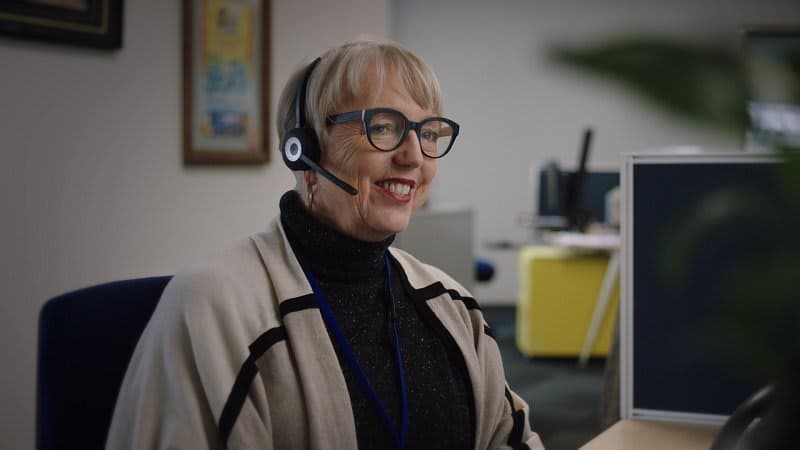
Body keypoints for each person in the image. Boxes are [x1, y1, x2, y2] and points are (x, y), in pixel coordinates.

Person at [106, 38, 544, 450]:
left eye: (428, 133)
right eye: (384, 127)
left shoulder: (452, 305)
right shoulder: (212, 307)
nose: (414, 156)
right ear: (305, 150)